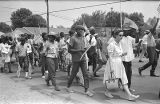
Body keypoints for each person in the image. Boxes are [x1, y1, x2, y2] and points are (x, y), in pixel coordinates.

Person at [103, 30, 139, 101]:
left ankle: (130, 95)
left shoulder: (119, 44)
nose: (121, 37)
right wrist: (111, 68)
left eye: (122, 35)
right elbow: (110, 56)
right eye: (120, 35)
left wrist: (122, 54)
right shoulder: (112, 44)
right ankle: (107, 91)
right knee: (111, 79)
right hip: (113, 64)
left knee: (124, 78)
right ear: (115, 35)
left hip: (119, 63)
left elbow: (118, 54)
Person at [67, 25, 93, 97]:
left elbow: (86, 47)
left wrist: (87, 48)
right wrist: (79, 50)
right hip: (76, 60)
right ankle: (68, 86)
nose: (82, 31)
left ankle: (86, 90)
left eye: (83, 30)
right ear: (77, 30)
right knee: (73, 74)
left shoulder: (84, 38)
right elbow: (69, 50)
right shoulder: (72, 38)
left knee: (86, 74)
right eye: (80, 30)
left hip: (83, 59)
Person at [120, 27, 138, 91]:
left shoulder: (130, 38)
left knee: (129, 73)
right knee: (123, 74)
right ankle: (123, 86)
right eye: (126, 31)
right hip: (123, 59)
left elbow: (135, 45)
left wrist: (137, 34)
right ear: (124, 31)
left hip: (129, 59)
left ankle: (128, 87)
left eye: (128, 31)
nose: (128, 32)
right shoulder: (120, 38)